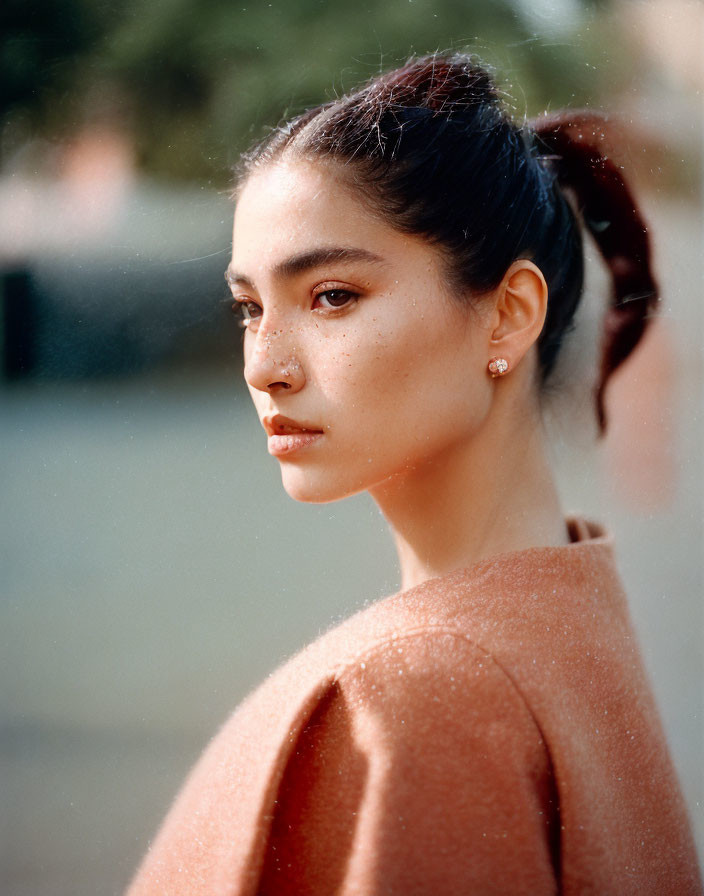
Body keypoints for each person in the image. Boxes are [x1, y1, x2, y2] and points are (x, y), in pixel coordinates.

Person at [127, 54, 701, 894]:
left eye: (330, 296)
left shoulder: (410, 702)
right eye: (252, 308)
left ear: (508, 315)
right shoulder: (576, 620)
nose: (266, 367)